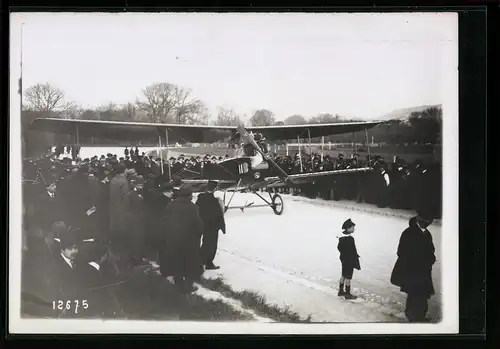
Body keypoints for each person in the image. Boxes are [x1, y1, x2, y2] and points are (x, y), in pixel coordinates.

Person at [390, 210, 436, 322]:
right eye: (425, 221)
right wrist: (415, 261)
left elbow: (431, 250)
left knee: (423, 295)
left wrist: (431, 259)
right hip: (412, 270)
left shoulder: (427, 233)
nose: (428, 223)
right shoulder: (408, 233)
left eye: (429, 221)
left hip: (424, 271)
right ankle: (412, 317)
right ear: (419, 220)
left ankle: (420, 316)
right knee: (414, 294)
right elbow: (401, 252)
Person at [160, 188, 204, 293]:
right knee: (190, 262)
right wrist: (199, 234)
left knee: (176, 261)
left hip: (173, 239)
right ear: (189, 196)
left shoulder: (171, 205)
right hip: (189, 240)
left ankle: (178, 283)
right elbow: (198, 224)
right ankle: (188, 286)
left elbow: (165, 220)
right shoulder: (193, 207)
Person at [196, 181, 226, 270]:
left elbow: (197, 210)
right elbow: (219, 214)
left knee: (205, 243)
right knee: (212, 245)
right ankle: (208, 263)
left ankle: (201, 261)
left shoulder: (200, 198)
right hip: (213, 226)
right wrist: (222, 226)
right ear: (215, 188)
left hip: (203, 225)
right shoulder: (214, 200)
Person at [337, 219, 360, 300]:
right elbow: (352, 250)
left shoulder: (341, 238)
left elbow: (339, 248)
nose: (354, 229)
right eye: (353, 227)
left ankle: (340, 291)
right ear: (348, 228)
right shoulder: (350, 239)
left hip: (344, 260)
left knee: (343, 275)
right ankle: (347, 293)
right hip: (349, 261)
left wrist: (344, 256)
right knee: (348, 277)